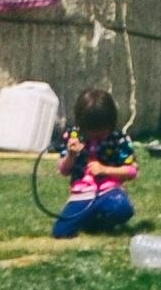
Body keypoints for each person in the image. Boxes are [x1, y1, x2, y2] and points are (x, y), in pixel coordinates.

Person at [48, 85, 139, 237]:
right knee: (61, 232)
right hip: (82, 195)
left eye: (102, 132)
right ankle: (88, 220)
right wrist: (71, 155)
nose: (95, 136)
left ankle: (98, 223)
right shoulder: (73, 137)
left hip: (109, 192)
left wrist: (105, 170)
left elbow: (132, 171)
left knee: (122, 209)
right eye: (90, 132)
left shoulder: (118, 139)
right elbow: (64, 170)